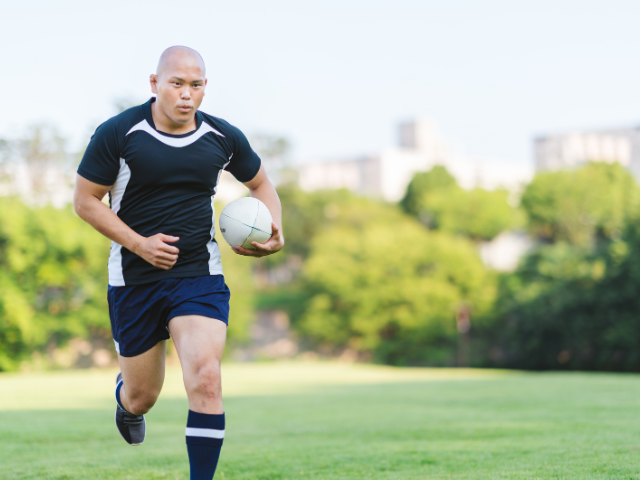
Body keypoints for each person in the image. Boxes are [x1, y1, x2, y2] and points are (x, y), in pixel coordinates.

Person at [73, 45, 284, 479]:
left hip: (198, 276)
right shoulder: (119, 133)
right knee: (142, 396)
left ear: (205, 88)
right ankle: (125, 400)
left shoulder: (223, 138)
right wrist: (138, 244)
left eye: (196, 85)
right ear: (155, 84)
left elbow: (261, 184)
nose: (187, 94)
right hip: (135, 280)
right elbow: (85, 201)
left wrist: (274, 230)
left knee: (206, 379)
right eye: (177, 83)